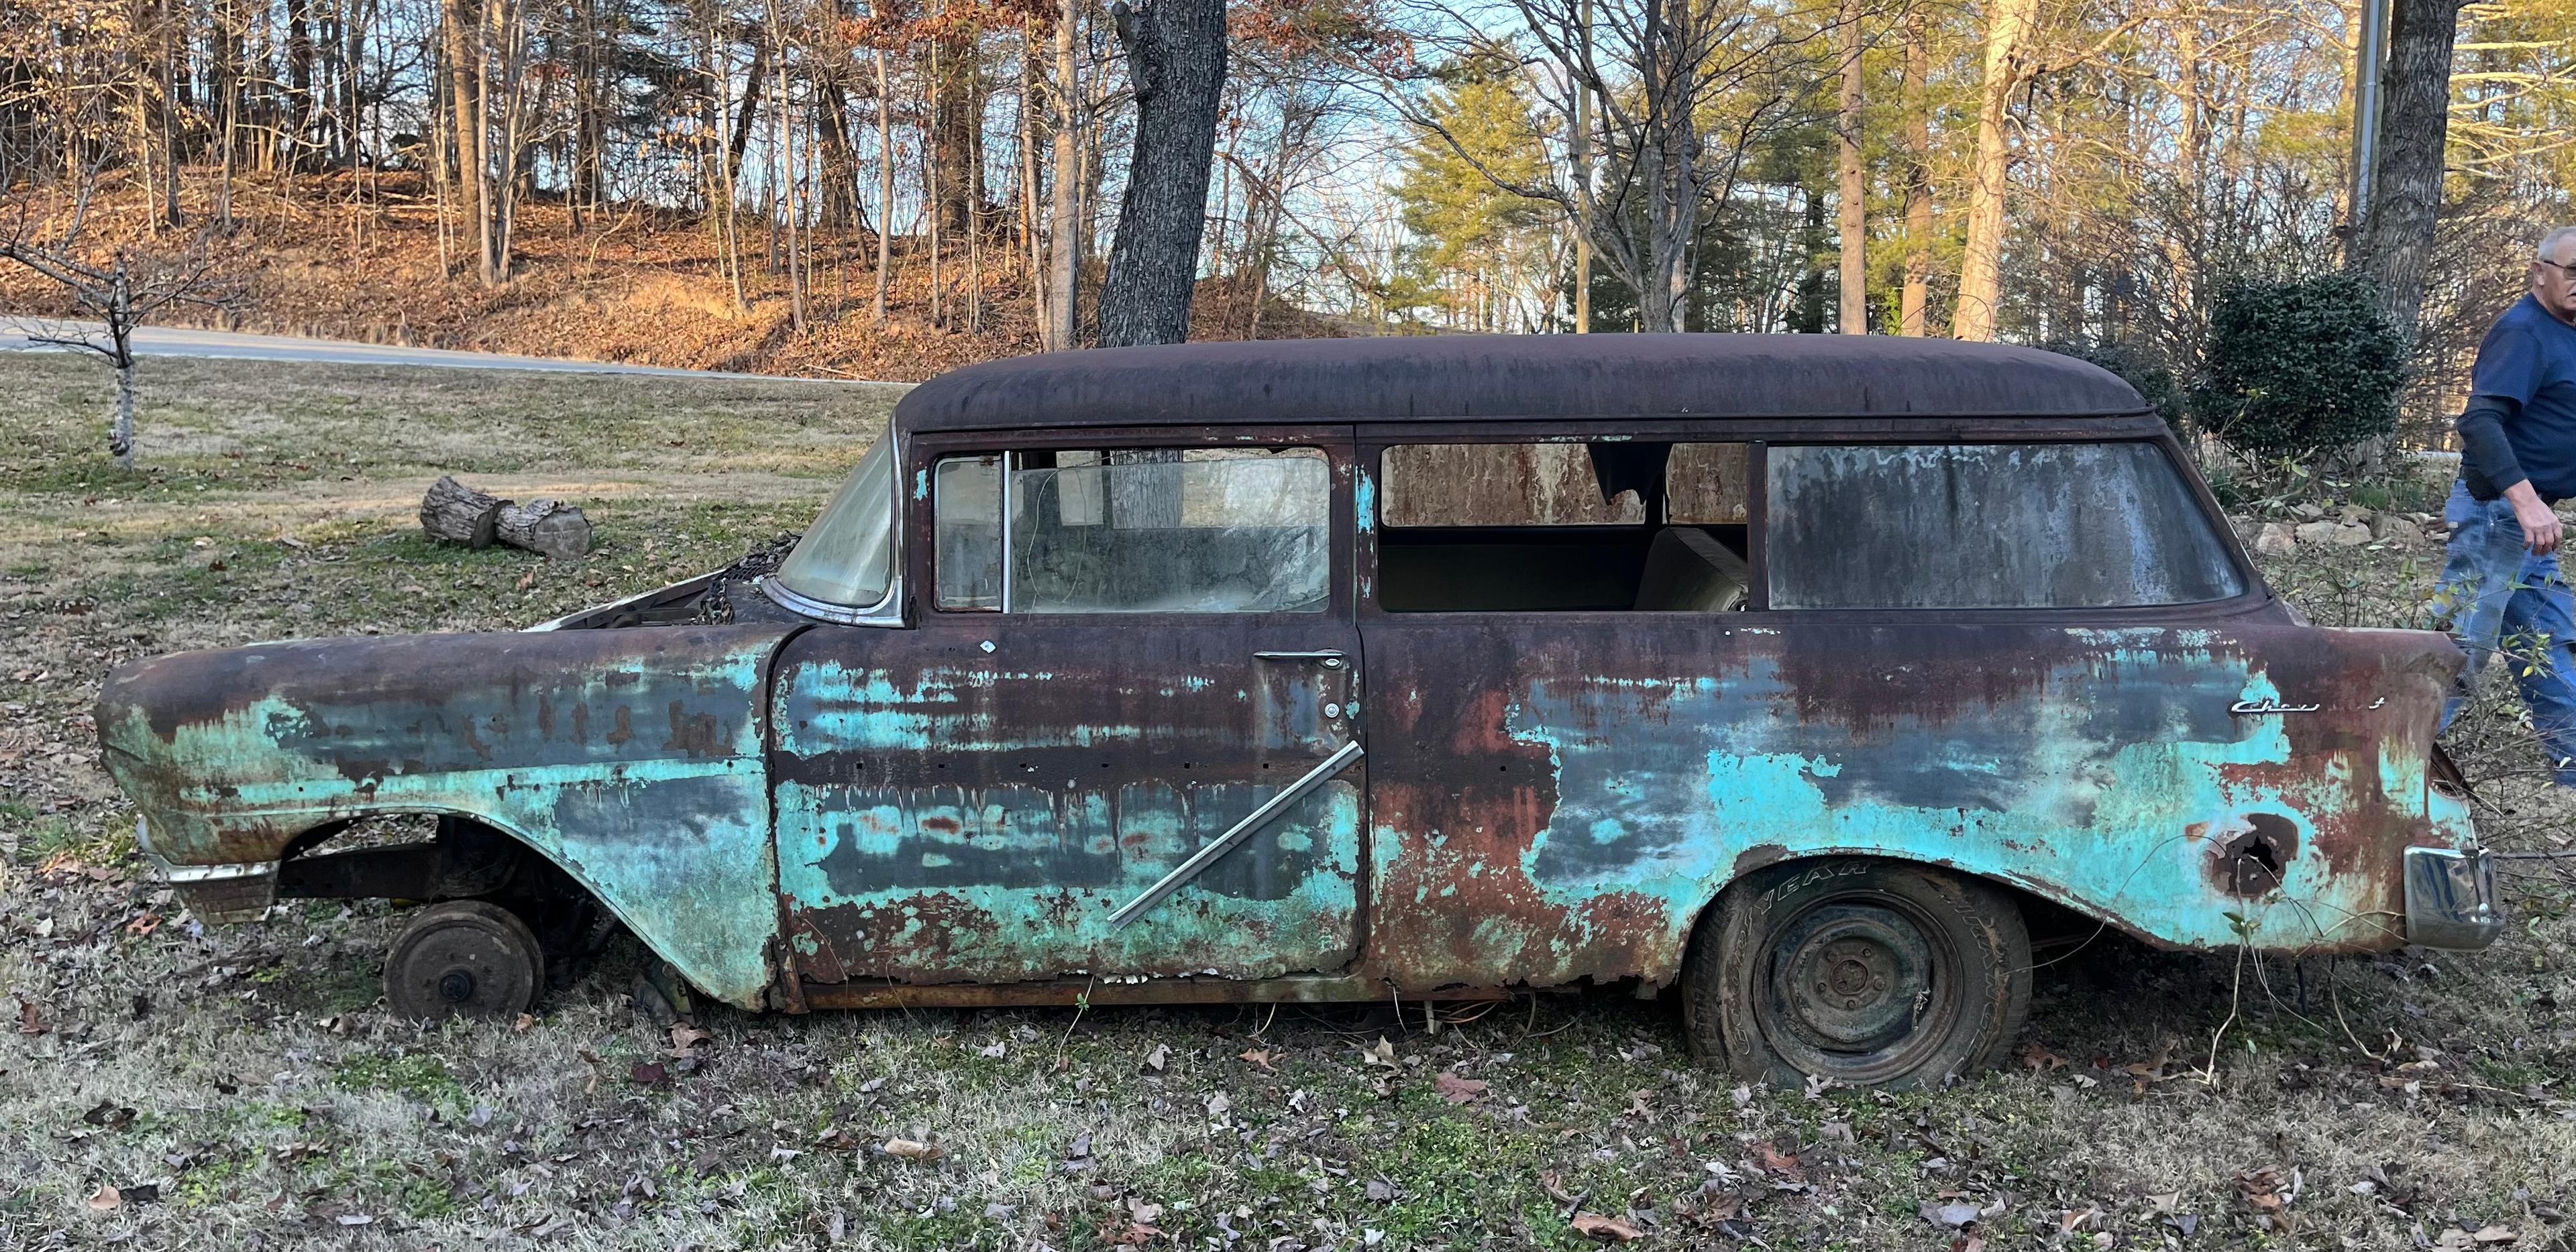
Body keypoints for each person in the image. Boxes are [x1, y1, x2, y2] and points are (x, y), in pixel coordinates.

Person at [2433, 225, 2576, 783]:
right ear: (2540, 272)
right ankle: (2387, 760)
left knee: (2552, 645)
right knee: (2458, 652)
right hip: (2498, 517)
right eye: (2572, 271)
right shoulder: (2524, 332)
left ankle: (2572, 772)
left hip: (2528, 525)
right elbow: (2479, 421)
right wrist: (2526, 503)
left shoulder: (2566, 331)